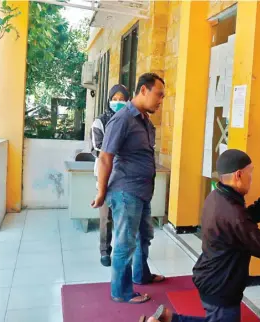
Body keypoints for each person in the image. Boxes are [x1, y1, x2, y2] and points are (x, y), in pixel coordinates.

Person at [143, 149, 260, 322]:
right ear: (239, 175)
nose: (251, 178)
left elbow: (244, 219)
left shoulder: (218, 196)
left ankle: (168, 319)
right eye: (250, 173)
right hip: (221, 284)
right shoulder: (232, 212)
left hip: (211, 275)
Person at [91, 73, 166, 304]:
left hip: (142, 191)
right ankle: (121, 292)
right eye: (159, 95)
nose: (161, 100)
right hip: (126, 191)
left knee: (145, 236)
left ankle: (141, 275)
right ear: (143, 90)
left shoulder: (143, 119)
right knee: (125, 242)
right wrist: (102, 192)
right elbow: (105, 157)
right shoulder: (122, 119)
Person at [90, 84, 130, 267]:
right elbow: (98, 148)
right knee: (106, 216)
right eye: (115, 99)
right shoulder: (100, 121)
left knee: (124, 215)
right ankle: (105, 252)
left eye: (122, 99)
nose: (118, 102)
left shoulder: (132, 120)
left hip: (126, 175)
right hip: (106, 173)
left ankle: (123, 250)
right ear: (109, 100)